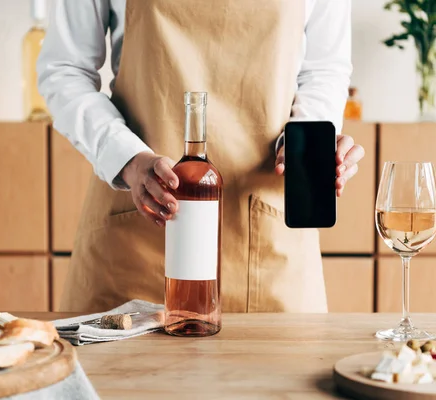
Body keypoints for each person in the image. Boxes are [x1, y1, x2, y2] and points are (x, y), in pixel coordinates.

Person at [37, 0, 365, 314]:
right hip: (137, 241)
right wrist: (130, 160)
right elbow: (65, 69)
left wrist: (303, 145)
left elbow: (324, 71)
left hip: (269, 246)